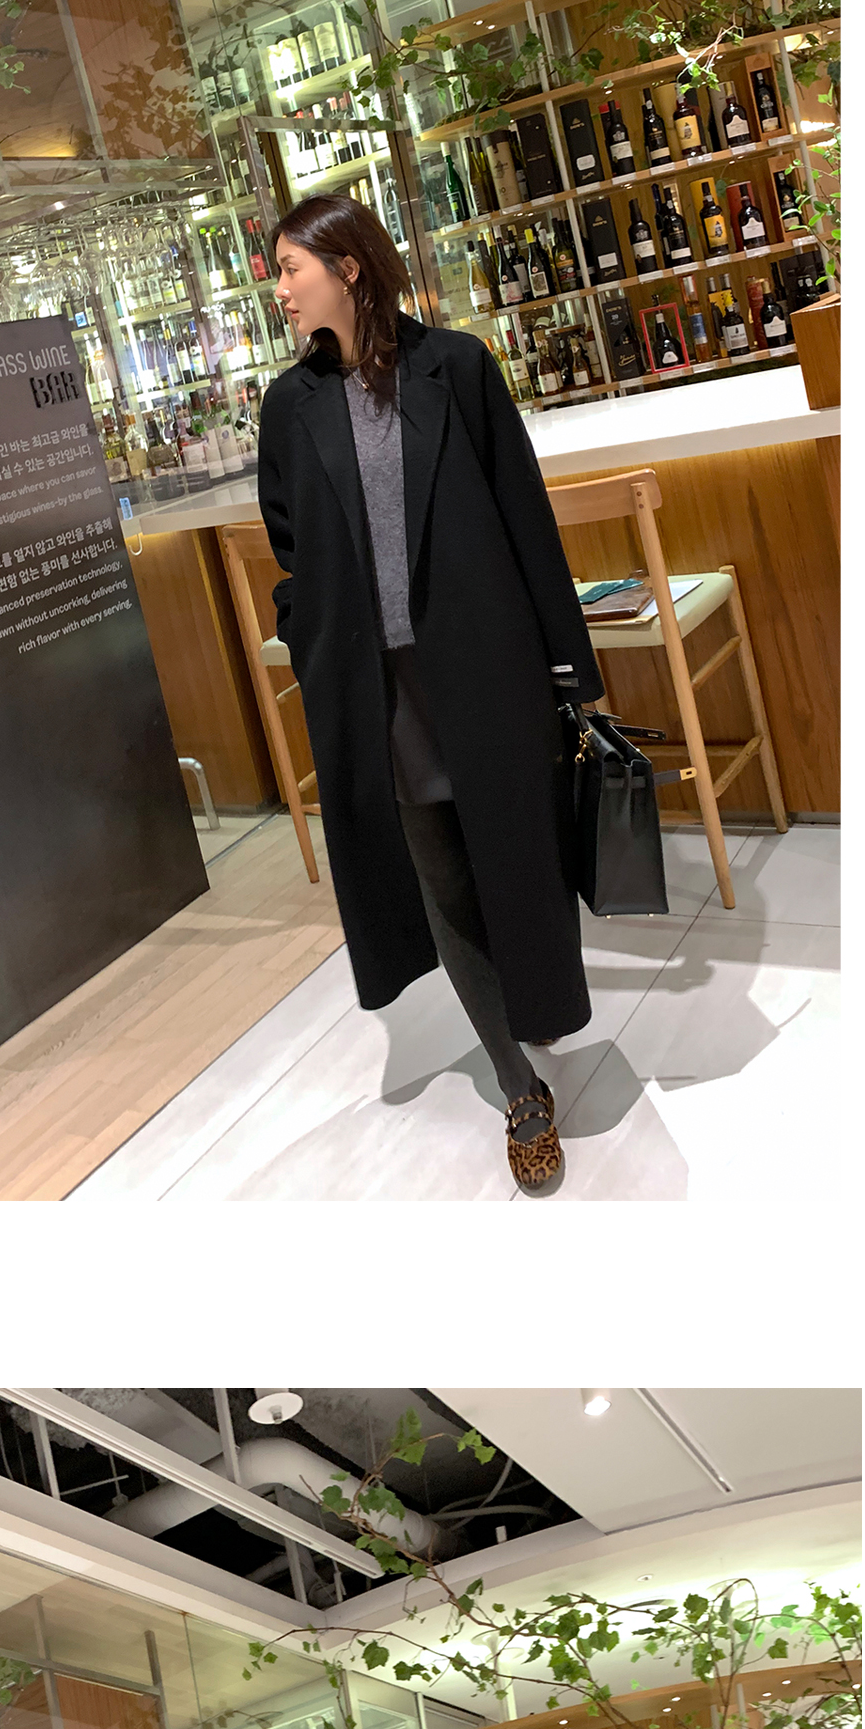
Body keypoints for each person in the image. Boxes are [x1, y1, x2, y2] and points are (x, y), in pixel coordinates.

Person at [256, 189, 605, 1193]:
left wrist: (568, 663)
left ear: (348, 266)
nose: (279, 290)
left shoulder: (457, 366)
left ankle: (538, 1003)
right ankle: (518, 1085)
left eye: (290, 267)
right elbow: (290, 543)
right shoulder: (290, 404)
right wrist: (309, 632)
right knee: (440, 878)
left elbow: (524, 516)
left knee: (518, 858)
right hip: (375, 687)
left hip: (485, 665)